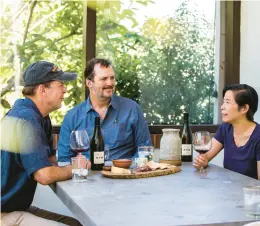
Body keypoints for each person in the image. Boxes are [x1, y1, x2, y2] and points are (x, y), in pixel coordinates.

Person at [1, 61, 83, 225]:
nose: (65, 89)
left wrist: (63, 168)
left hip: (15, 207)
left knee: (76, 223)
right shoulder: (26, 119)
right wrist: (76, 167)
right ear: (42, 89)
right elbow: (44, 175)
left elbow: (50, 162)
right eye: (60, 85)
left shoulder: (41, 117)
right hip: (4, 213)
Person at [58, 58, 151, 162]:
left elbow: (144, 149)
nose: (110, 83)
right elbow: (64, 159)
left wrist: (128, 168)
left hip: (123, 174)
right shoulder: (72, 117)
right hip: (88, 175)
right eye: (104, 79)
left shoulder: (131, 108)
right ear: (89, 83)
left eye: (112, 78)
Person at [193, 84, 260, 179]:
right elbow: (205, 158)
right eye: (223, 102)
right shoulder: (226, 128)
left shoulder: (258, 136)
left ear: (244, 108)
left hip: (249, 193)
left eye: (227, 102)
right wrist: (201, 162)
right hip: (229, 190)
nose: (222, 107)